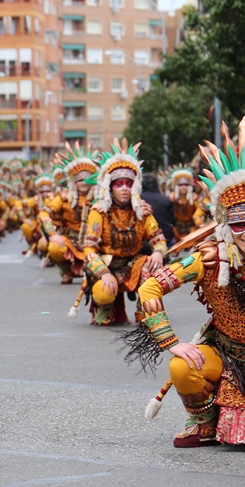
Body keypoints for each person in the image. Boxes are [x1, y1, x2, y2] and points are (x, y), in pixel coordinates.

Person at [124, 120, 245, 447]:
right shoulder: (207, 259)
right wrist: (173, 342)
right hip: (230, 355)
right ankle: (204, 422)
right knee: (181, 367)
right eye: (239, 223)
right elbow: (149, 288)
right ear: (223, 223)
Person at [81, 138, 167, 326]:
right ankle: (106, 305)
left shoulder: (142, 211)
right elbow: (89, 249)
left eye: (129, 184)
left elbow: (158, 239)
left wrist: (159, 253)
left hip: (132, 265)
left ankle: (145, 310)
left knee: (152, 265)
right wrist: (103, 273)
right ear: (109, 187)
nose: (124, 189)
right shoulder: (99, 212)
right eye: (118, 184)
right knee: (104, 294)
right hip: (107, 266)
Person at [42, 143, 99, 284]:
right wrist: (53, 234)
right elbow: (44, 213)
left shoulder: (101, 198)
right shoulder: (63, 197)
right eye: (80, 179)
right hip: (70, 239)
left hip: (95, 241)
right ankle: (66, 269)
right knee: (54, 247)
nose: (84, 182)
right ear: (73, 181)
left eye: (88, 179)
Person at [140, 172, 176, 246]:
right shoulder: (166, 199)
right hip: (166, 237)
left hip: (145, 241)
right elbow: (173, 220)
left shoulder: (138, 200)